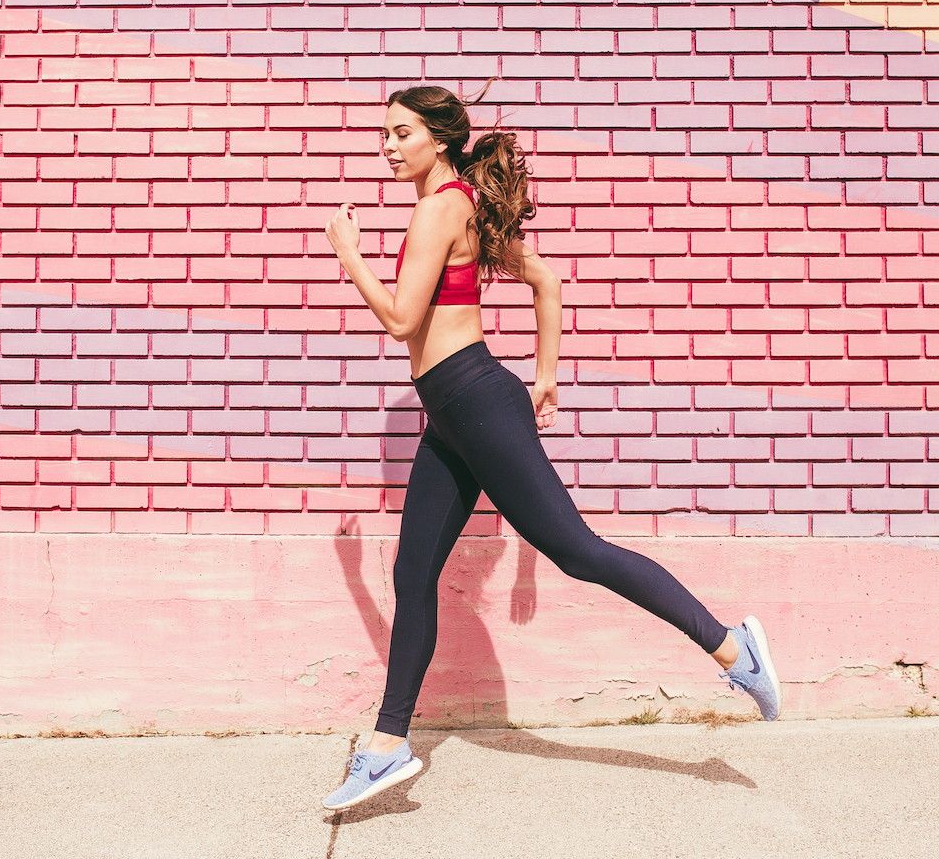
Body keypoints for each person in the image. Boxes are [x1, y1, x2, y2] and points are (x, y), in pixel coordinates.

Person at [319, 84, 780, 811]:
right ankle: (387, 746)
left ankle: (732, 647)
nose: (387, 145)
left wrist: (348, 254)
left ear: (437, 140)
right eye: (386, 133)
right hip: (454, 413)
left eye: (400, 133)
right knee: (414, 573)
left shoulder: (441, 207)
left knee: (577, 549)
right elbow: (547, 283)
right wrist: (542, 380)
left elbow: (405, 320)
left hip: (471, 399)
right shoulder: (464, 205)